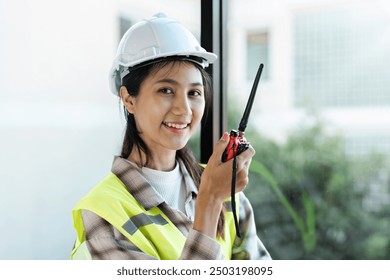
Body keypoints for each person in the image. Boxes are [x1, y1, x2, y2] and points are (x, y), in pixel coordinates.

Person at [70, 13, 271, 260]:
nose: (184, 109)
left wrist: (214, 194)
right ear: (128, 99)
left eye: (194, 93)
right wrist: (209, 203)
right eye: (166, 90)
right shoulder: (103, 217)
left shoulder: (226, 191)